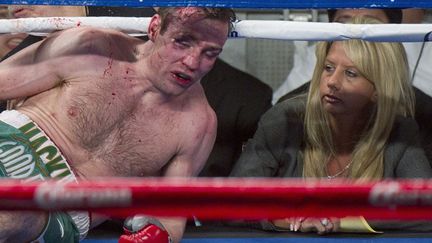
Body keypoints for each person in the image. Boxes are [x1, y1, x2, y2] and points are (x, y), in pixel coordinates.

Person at [0, 6, 235, 243]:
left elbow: (171, 219)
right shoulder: (91, 48)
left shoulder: (198, 124)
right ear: (154, 28)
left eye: (211, 53)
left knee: (13, 214)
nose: (193, 62)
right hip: (7, 147)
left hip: (57, 213)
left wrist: (156, 235)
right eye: (182, 42)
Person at [231, 16, 432, 234]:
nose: (332, 82)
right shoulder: (284, 120)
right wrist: (286, 220)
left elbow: (425, 210)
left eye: (350, 73)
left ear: (378, 89)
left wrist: (344, 220)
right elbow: (232, 203)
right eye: (328, 67)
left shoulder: (399, 131)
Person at [274, 8, 432, 162]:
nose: (355, 36)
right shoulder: (288, 112)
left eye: (369, 27)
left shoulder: (422, 118)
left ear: (394, 39)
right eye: (345, 25)